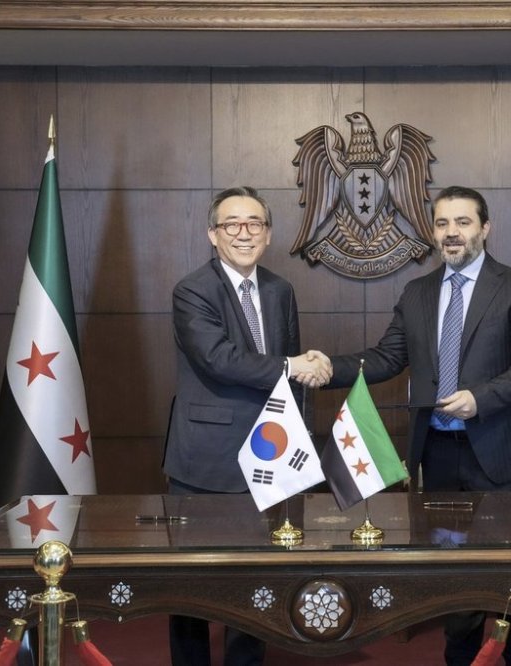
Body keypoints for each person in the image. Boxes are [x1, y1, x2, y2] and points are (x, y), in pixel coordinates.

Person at [328, 185, 511, 666]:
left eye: (463, 222)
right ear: (433, 232)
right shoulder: (418, 293)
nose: (452, 233)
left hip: (502, 454)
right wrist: (327, 367)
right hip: (438, 456)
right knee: (455, 577)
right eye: (443, 223)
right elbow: (387, 357)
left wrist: (480, 398)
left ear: (485, 229)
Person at [164, 186, 330, 666]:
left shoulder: (280, 290)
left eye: (254, 223)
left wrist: (301, 442)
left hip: (270, 457)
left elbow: (290, 377)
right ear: (212, 234)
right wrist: (295, 365)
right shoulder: (193, 290)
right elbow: (218, 359)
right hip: (206, 462)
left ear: (268, 234)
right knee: (191, 589)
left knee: (257, 584)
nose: (243, 233)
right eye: (231, 224)